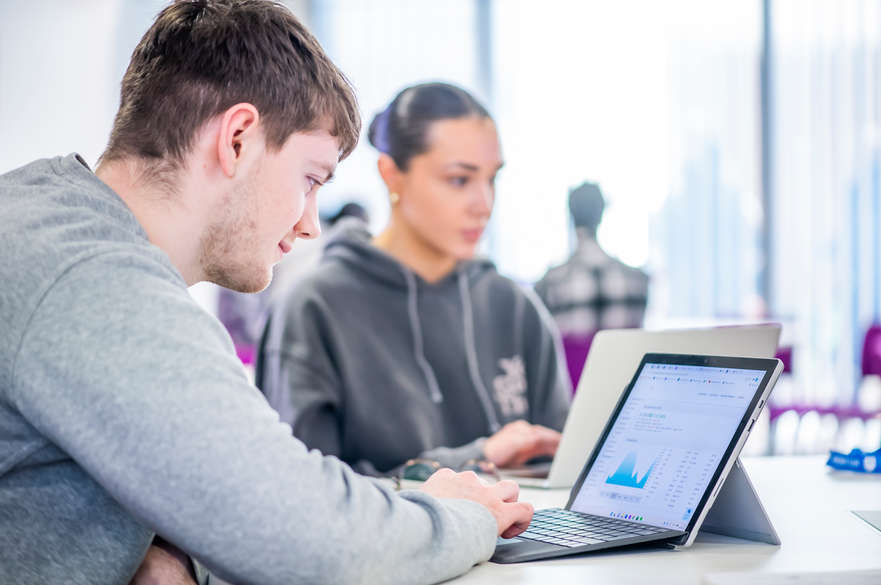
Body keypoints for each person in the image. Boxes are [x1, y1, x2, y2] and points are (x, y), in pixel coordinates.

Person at [0, 3, 533, 585]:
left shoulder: (40, 218)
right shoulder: (96, 281)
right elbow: (308, 541)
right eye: (310, 180)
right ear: (237, 139)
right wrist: (460, 518)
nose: (311, 225)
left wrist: (169, 557)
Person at [257, 82, 571, 478]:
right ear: (392, 176)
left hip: (523, 537)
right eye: (459, 180)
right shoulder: (315, 308)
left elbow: (562, 468)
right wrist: (474, 459)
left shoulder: (514, 306)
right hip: (382, 542)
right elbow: (303, 498)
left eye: (492, 179)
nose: (484, 204)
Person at [534, 181, 649, 337]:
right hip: (622, 362)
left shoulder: (549, 285)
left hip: (575, 363)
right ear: (601, 213)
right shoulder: (638, 280)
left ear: (571, 215)